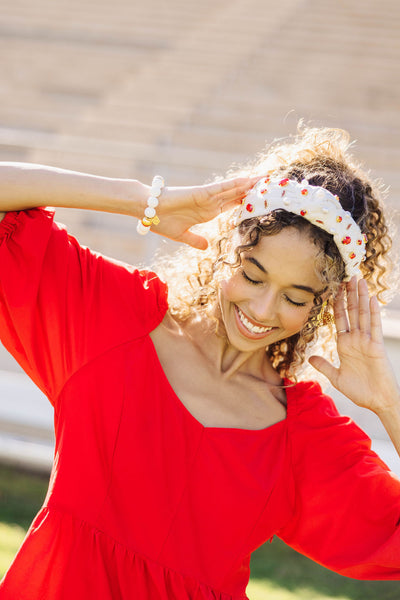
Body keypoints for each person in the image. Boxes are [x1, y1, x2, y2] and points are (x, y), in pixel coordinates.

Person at [0, 125, 399, 600]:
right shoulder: (113, 323)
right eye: (253, 276)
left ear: (321, 305)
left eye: (295, 297)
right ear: (230, 248)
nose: (263, 310)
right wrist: (145, 200)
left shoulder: (301, 436)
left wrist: (387, 401)